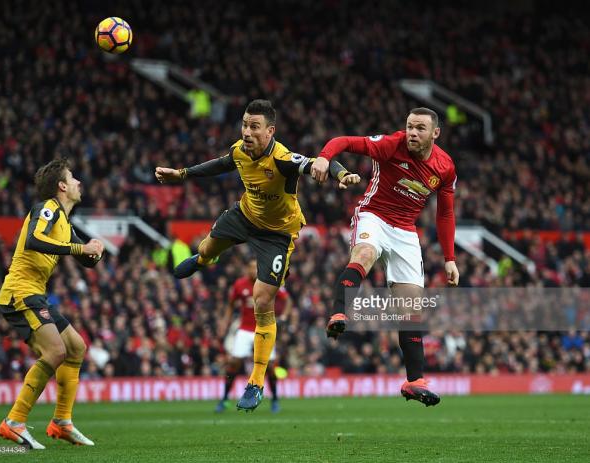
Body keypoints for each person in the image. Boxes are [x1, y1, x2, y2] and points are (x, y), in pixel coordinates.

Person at [155, 99, 360, 411]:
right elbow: (221, 164)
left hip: (277, 235)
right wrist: (182, 174)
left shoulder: (282, 158)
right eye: (244, 125)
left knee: (263, 299)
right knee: (205, 249)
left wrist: (340, 173)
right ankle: (201, 260)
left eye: (254, 127)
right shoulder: (240, 149)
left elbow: (317, 163)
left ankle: (255, 381)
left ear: (270, 131)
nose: (247, 132)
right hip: (244, 215)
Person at [311, 107, 459, 406]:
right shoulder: (392, 144)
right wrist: (325, 157)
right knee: (364, 253)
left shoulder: (445, 167)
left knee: (411, 305)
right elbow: (346, 141)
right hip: (374, 216)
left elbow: (445, 212)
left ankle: (414, 381)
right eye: (410, 126)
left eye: (420, 128)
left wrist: (449, 257)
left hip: (405, 230)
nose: (413, 133)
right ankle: (340, 312)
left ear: (435, 133)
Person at [0, 159, 104, 449]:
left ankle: (62, 421)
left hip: (35, 294)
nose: (79, 182)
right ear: (62, 186)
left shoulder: (65, 224)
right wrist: (80, 248)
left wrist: (95, 251)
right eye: (73, 177)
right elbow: (33, 240)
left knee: (76, 347)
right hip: (19, 292)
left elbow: (85, 260)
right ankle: (14, 421)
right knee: (55, 351)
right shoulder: (47, 208)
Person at [215, 259, 292, 413]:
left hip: (264, 329)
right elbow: (231, 305)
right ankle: (224, 399)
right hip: (245, 329)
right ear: (246, 269)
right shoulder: (239, 284)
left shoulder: (268, 281)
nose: (252, 270)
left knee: (270, 367)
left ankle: (275, 400)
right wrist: (225, 322)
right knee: (234, 364)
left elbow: (287, 300)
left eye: (255, 267)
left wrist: (283, 317)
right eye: (250, 267)